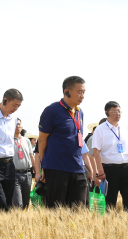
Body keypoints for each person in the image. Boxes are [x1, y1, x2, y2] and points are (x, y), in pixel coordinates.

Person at [38, 76, 90, 209]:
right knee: (56, 210)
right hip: (57, 168)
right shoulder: (52, 111)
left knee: (79, 210)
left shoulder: (79, 112)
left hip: (78, 167)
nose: (82, 95)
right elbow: (42, 140)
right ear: (67, 92)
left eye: (84, 92)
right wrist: (44, 166)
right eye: (79, 91)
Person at [90, 101, 128, 212]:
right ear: (107, 112)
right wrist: (100, 171)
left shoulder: (125, 127)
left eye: (119, 111)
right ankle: (110, 223)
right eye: (114, 111)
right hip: (110, 169)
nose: (118, 113)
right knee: (110, 201)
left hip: (125, 168)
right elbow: (96, 151)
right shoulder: (100, 129)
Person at [11, 118, 37, 208]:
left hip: (27, 174)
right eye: (16, 124)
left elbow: (31, 156)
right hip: (14, 174)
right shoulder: (9, 140)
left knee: (26, 203)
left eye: (19, 124)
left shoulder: (26, 140)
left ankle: (22, 220)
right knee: (18, 203)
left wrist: (36, 172)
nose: (18, 126)